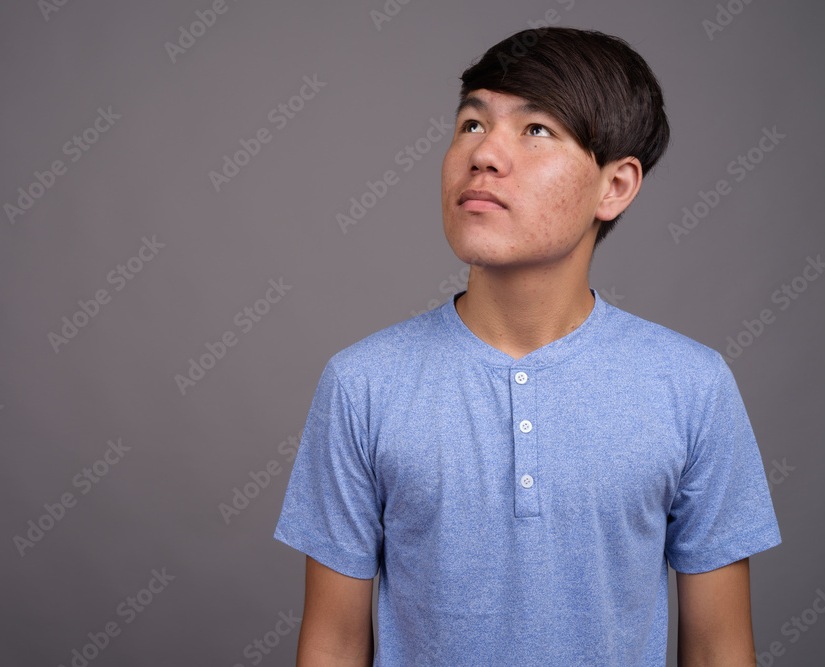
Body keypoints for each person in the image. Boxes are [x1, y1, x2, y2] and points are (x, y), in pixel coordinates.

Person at [273, 26, 781, 666]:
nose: (484, 153)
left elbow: (718, 649)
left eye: (536, 129)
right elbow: (334, 643)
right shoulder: (362, 384)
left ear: (615, 187)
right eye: (471, 124)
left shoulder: (693, 387)